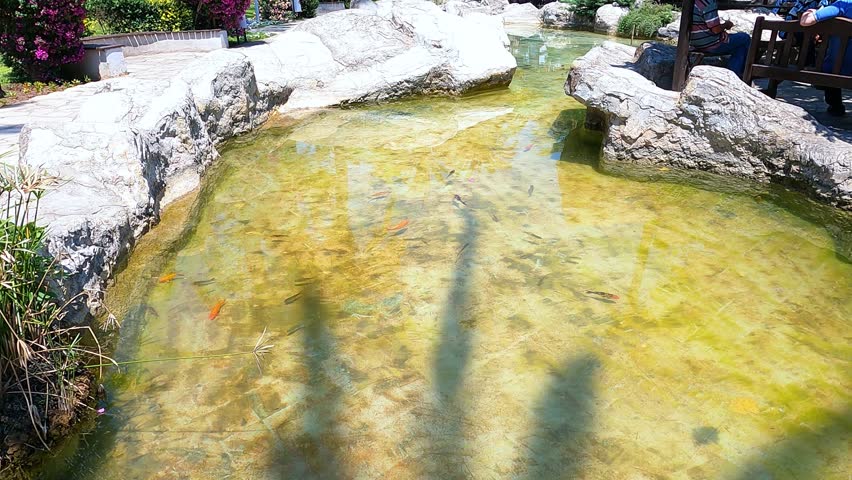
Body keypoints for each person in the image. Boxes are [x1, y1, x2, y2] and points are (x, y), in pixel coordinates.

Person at [800, 0, 852, 115]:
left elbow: (806, 21)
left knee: (831, 64)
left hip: (834, 70)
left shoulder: (843, 5)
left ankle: (835, 106)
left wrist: (810, 12)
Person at [690, 0, 752, 78]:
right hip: (710, 43)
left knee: (740, 48)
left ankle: (734, 74)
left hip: (695, 42)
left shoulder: (694, 2)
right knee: (744, 38)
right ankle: (741, 73)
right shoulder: (708, 3)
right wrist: (726, 25)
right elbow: (716, 30)